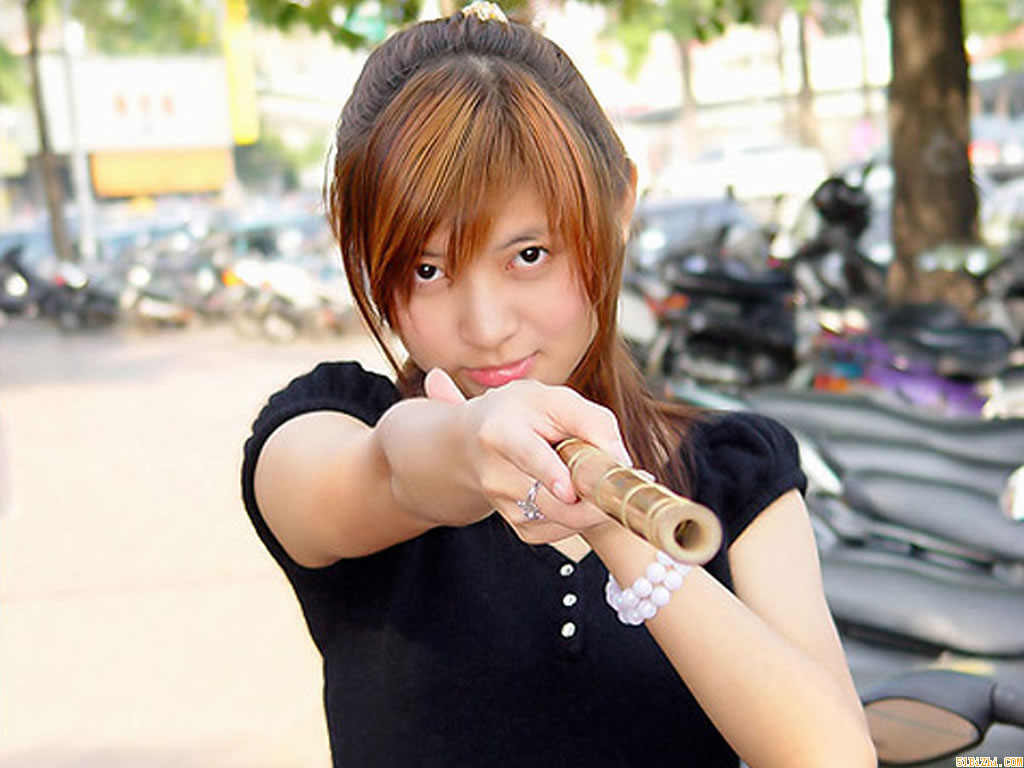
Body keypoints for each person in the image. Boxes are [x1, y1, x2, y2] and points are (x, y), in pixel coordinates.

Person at [241, 4, 876, 766]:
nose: (486, 326)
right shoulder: (326, 426)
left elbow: (832, 756)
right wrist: (472, 443)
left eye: (529, 254)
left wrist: (615, 526)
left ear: (619, 207)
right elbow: (385, 469)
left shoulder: (734, 472)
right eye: (428, 269)